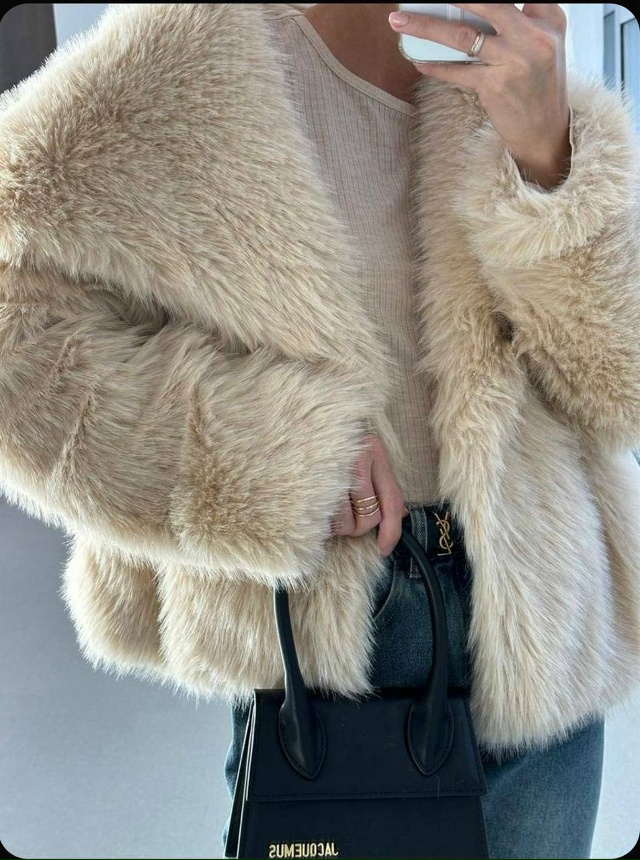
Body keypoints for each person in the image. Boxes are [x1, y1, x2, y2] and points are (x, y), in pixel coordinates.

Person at [0, 3, 638, 859]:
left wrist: (549, 160)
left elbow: (618, 386)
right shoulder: (183, 53)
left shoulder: (516, 75)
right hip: (336, 642)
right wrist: (279, 456)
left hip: (542, 634)